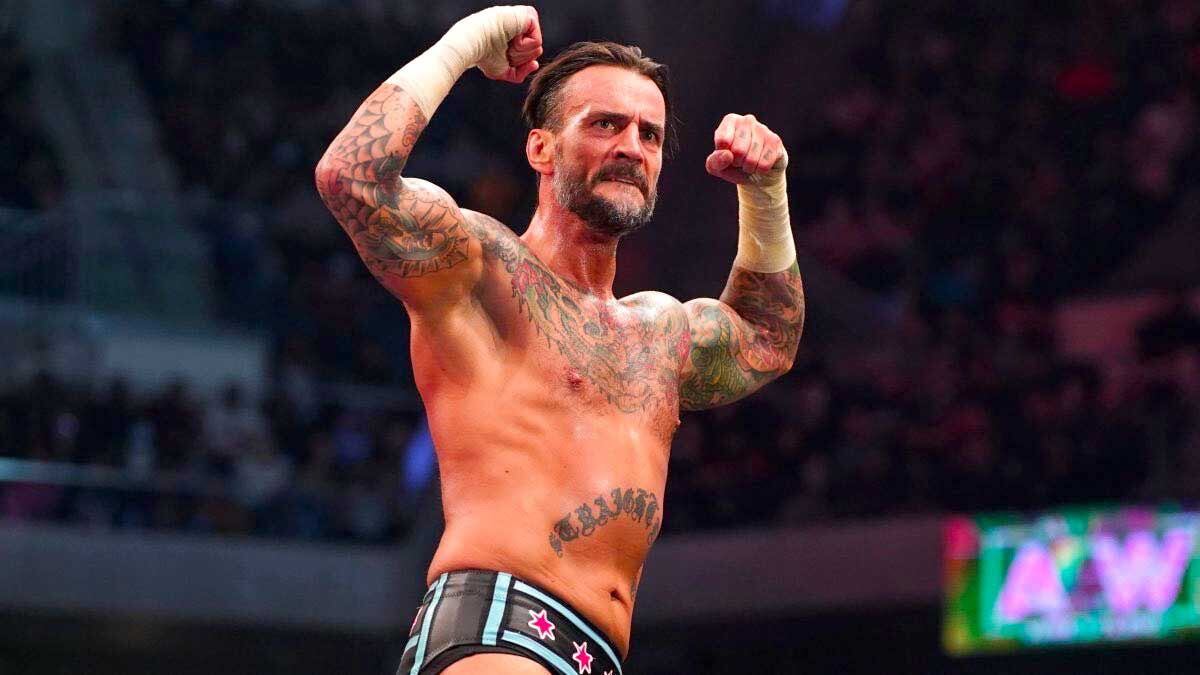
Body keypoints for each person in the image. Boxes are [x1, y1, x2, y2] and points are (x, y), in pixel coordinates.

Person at [315, 6, 805, 674]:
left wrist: (766, 191)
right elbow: (352, 177)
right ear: (541, 149)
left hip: (594, 651)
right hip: (498, 626)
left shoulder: (660, 331)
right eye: (605, 124)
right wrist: (466, 42)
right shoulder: (483, 269)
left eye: (650, 134)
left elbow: (768, 338)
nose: (631, 146)